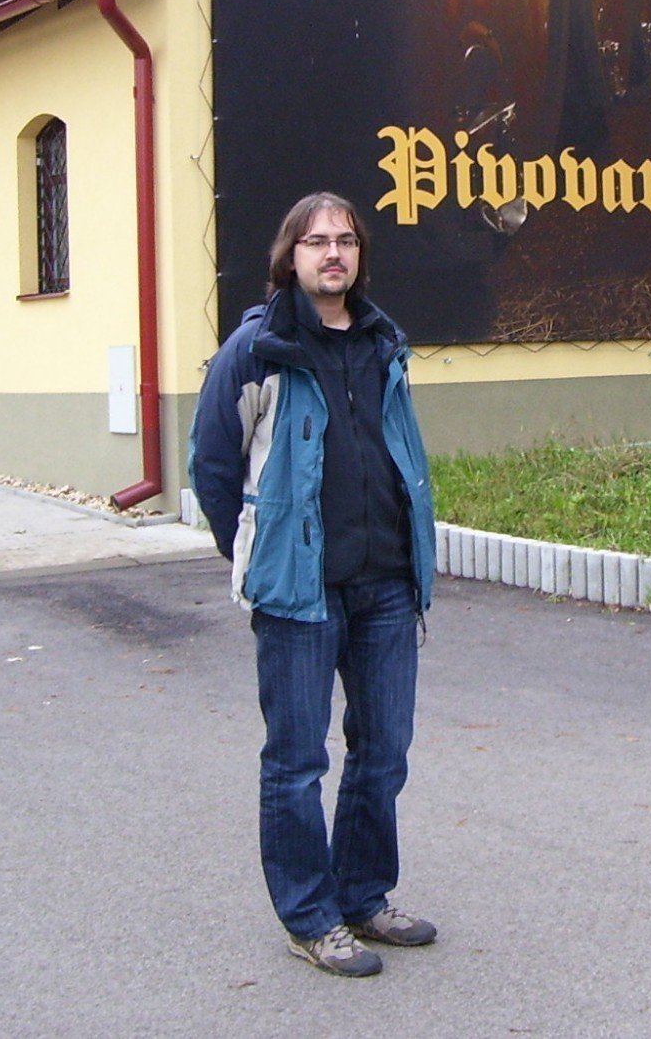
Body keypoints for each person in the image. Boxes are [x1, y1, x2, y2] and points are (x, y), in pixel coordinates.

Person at [189, 191, 439, 978]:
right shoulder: (258, 351)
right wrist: (255, 557)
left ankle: (364, 895)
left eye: (345, 241)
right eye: (316, 242)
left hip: (386, 584)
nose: (332, 253)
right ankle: (309, 916)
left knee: (383, 750)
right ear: (289, 256)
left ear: (359, 254)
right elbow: (213, 464)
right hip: (299, 594)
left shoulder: (381, 341)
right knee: (296, 761)